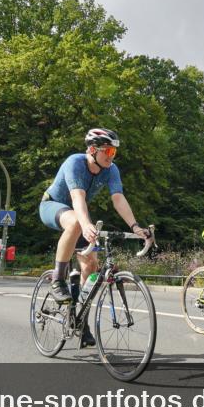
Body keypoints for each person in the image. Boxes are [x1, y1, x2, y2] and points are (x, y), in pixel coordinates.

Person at [38, 128, 152, 345]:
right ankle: (57, 278)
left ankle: (80, 319)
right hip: (53, 206)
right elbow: (77, 198)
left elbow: (118, 199)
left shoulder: (111, 170)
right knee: (74, 222)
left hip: (79, 213)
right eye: (107, 150)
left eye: (114, 152)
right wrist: (86, 223)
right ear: (93, 149)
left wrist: (135, 226)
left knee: (91, 265)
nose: (111, 156)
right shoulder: (75, 162)